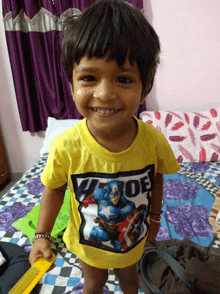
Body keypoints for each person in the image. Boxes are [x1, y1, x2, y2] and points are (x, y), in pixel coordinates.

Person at [29, 0, 180, 293]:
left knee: (130, 281)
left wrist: (155, 218)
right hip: (89, 243)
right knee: (94, 283)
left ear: (145, 86)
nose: (104, 93)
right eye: (88, 78)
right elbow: (55, 189)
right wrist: (41, 235)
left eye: (123, 79)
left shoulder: (153, 141)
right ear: (72, 83)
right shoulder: (66, 146)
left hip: (131, 238)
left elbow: (157, 178)